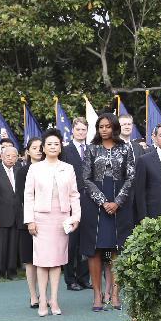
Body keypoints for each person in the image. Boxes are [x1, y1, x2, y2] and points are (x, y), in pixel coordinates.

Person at [80, 113, 136, 312]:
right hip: (95, 204)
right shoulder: (91, 149)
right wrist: (103, 202)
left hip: (120, 204)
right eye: (100, 127)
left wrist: (117, 202)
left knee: (117, 249)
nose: (104, 130)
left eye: (107, 126)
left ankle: (115, 293)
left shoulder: (125, 148)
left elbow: (131, 177)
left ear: (114, 128)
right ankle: (97, 294)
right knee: (95, 250)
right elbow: (86, 179)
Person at [24, 129, 81, 317]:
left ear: (60, 146)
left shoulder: (68, 168)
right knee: (42, 261)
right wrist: (30, 220)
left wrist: (76, 217)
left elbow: (74, 195)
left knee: (57, 261)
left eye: (56, 144)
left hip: (61, 219)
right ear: (43, 147)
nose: (53, 147)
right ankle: (41, 300)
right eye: (49, 144)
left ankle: (54, 299)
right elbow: (29, 196)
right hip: (41, 219)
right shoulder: (35, 168)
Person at [59, 117, 91, 292]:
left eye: (83, 130)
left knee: (87, 241)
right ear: (72, 130)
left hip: (90, 201)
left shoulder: (92, 149)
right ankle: (70, 278)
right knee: (71, 242)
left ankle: (84, 277)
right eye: (78, 129)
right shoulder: (65, 150)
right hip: (71, 201)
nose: (81, 132)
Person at [0, 143, 22, 279]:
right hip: (0, 215)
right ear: (2, 156)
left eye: (13, 156)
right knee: (0, 246)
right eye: (7, 156)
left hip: (17, 214)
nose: (10, 158)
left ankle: (12, 271)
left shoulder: (19, 170)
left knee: (13, 245)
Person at [17, 137, 43, 307]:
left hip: (48, 220)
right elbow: (22, 197)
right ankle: (33, 296)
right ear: (28, 151)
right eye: (35, 148)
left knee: (46, 261)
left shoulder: (51, 168)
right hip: (28, 221)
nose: (39, 150)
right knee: (30, 261)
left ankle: (45, 295)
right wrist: (30, 219)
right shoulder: (22, 172)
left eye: (41, 147)